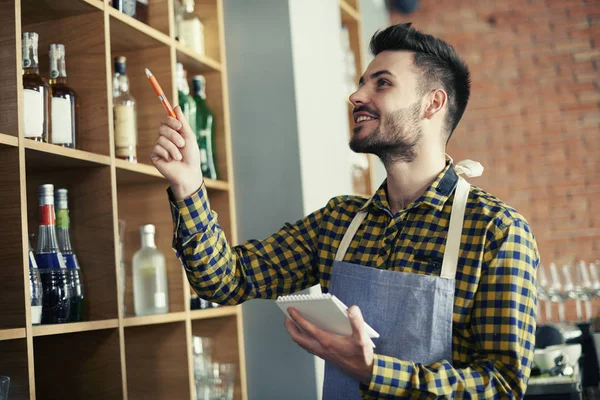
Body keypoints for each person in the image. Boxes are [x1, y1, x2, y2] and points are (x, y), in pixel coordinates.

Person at [151, 23, 539, 399]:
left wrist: (373, 372)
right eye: (360, 83)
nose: (356, 96)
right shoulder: (339, 222)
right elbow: (225, 278)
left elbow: (502, 387)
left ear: (433, 103)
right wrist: (188, 186)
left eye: (382, 83)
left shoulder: (496, 231)